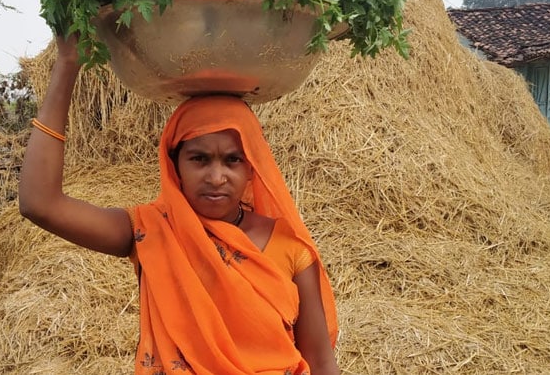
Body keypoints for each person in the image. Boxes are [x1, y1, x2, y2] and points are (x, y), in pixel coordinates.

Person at [19, 33, 340, 374]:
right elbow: (39, 203)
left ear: (252, 169)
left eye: (232, 160)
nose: (217, 177)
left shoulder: (289, 246)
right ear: (175, 166)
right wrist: (67, 65)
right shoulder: (150, 231)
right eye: (199, 159)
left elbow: (320, 360)